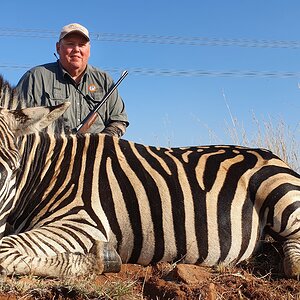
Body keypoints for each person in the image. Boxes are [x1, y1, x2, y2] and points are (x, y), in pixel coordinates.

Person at [16, 23, 129, 137]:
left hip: (97, 152)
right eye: (70, 44)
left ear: (89, 50)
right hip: (50, 152)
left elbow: (119, 120)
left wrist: (100, 143)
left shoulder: (104, 80)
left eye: (82, 45)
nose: (76, 49)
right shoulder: (35, 77)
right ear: (58, 47)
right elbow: (16, 120)